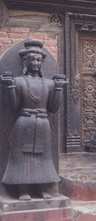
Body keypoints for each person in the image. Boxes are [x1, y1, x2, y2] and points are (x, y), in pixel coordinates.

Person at [0, 40, 68, 201]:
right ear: (25, 61)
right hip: (23, 122)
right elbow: (12, 106)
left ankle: (42, 187)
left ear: (42, 62)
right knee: (21, 157)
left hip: (43, 123)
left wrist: (58, 88)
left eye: (38, 59)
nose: (35, 62)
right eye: (32, 59)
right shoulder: (18, 81)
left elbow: (53, 108)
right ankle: (22, 189)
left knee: (42, 158)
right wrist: (10, 86)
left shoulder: (49, 83)